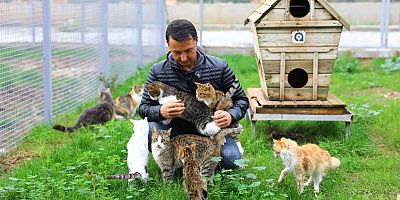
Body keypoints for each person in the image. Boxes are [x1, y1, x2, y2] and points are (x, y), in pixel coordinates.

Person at [139, 19, 249, 169]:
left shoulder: (219, 67)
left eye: (188, 50)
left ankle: (200, 157)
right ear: (168, 45)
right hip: (175, 131)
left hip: (212, 129)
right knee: (148, 133)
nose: (183, 58)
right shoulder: (158, 71)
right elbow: (143, 108)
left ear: (196, 41)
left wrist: (230, 115)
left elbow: (241, 100)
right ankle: (178, 159)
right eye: (177, 52)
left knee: (231, 161)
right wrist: (160, 111)